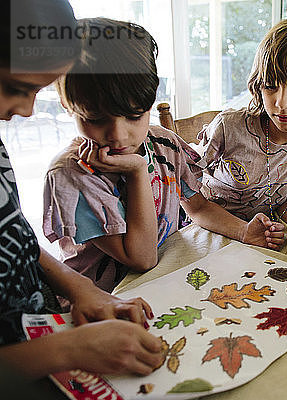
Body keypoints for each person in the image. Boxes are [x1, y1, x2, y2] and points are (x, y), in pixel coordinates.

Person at [43, 18, 285, 293]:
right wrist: (136, 172)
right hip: (107, 302)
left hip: (166, 281)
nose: (118, 135)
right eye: (96, 119)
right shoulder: (71, 176)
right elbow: (142, 258)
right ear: (68, 106)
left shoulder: (164, 144)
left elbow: (199, 207)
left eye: (134, 116)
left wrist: (243, 231)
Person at [0, 0, 163, 379]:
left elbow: (16, 240)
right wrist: (70, 348)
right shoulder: (69, 174)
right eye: (14, 88)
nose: (26, 110)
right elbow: (141, 256)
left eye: (36, 91)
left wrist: (79, 287)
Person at [197, 17, 287, 269]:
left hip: (260, 238)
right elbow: (189, 199)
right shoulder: (229, 128)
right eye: (270, 87)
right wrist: (243, 231)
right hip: (210, 229)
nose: (281, 104)